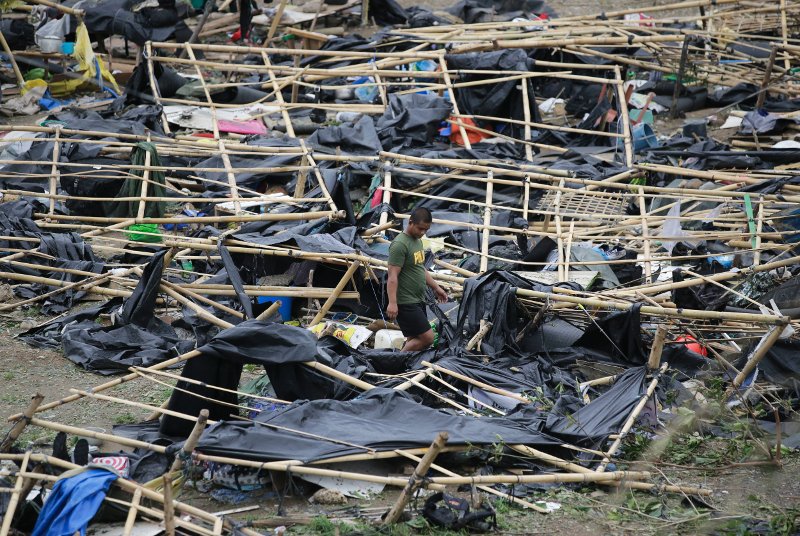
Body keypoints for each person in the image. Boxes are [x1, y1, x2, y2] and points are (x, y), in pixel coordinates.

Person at [386, 207, 448, 351]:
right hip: (406, 302)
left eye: (426, 230)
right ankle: (397, 360)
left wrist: (436, 287)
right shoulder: (400, 245)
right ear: (410, 222)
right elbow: (392, 276)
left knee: (414, 339)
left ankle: (407, 362)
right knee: (428, 338)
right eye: (420, 228)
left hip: (418, 299)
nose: (423, 233)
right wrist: (392, 303)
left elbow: (420, 268)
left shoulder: (417, 241)